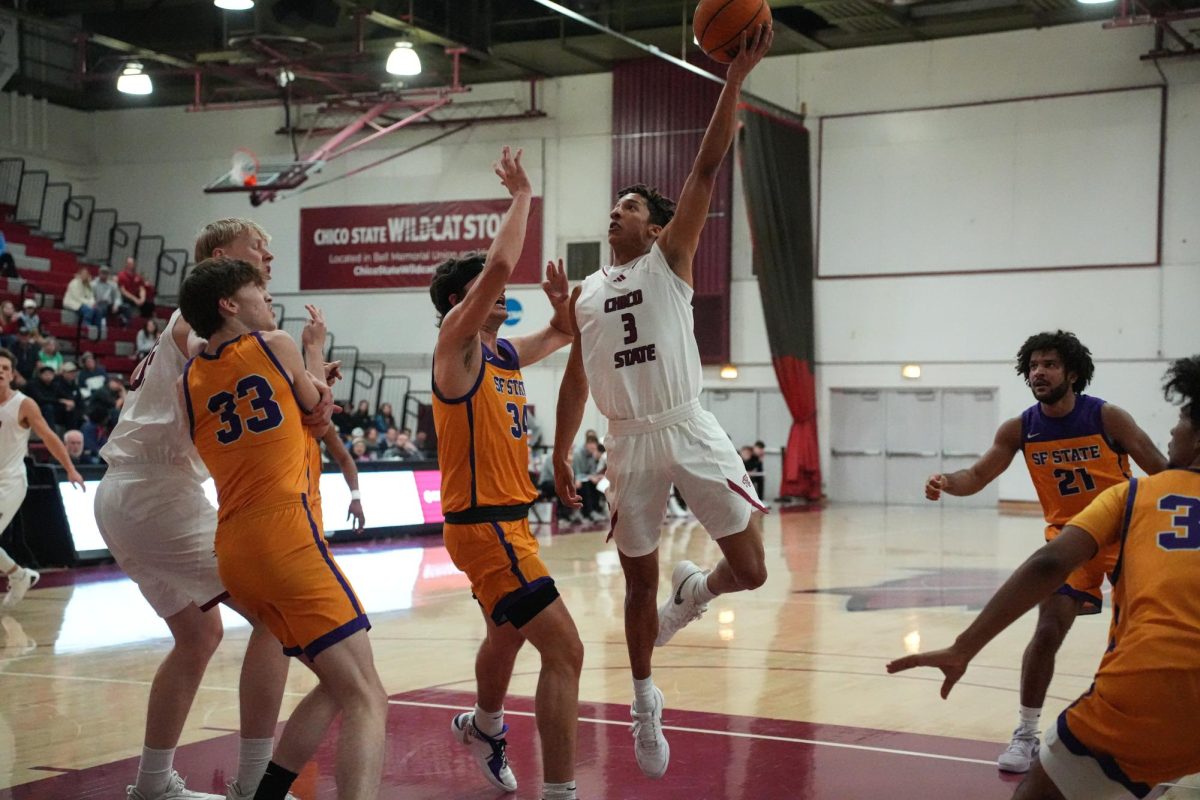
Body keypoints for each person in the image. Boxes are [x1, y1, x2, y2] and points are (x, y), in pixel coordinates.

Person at [552, 26, 773, 780]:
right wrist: (556, 452)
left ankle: (698, 593)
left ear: (655, 222)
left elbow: (709, 161)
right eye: (612, 206)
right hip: (628, 439)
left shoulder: (670, 259)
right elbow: (577, 377)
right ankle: (647, 701)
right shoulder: (583, 295)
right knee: (637, 582)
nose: (615, 212)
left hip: (688, 423)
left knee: (752, 570)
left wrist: (735, 75)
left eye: (628, 205)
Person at [890, 355, 1200, 800]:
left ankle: (1133, 744)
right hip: (1074, 536)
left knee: (1148, 631)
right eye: (1033, 365)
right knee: (1049, 627)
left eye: (1050, 364)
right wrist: (947, 482)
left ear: (1072, 373)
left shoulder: (1107, 417)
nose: (1039, 372)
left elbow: (1161, 468)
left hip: (1133, 527)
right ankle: (1027, 730)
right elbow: (977, 475)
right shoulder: (1021, 428)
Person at [94, 217, 305, 800]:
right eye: (256, 245)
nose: (268, 253)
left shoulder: (190, 321)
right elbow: (208, 350)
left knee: (198, 636)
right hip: (156, 491)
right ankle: (254, 783)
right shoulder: (197, 322)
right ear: (218, 259)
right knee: (274, 615)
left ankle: (154, 783)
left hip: (126, 495)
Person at [180, 257, 385, 800]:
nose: (268, 298)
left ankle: (267, 790)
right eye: (258, 288)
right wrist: (314, 348)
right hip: (286, 536)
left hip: (234, 549)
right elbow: (318, 406)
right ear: (229, 304)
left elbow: (285, 405)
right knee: (367, 696)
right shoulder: (276, 343)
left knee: (342, 684)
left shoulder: (192, 373)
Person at [431, 146, 583, 800]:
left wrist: (562, 312)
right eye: (486, 290)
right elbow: (496, 266)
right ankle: (561, 793)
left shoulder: (499, 355)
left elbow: (559, 336)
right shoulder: (455, 347)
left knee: (507, 633)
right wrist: (522, 197)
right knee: (566, 652)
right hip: (485, 526)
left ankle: (486, 726)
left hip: (505, 523)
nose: (501, 291)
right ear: (461, 303)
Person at [0, 348, 84, 608]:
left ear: (13, 375)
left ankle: (19, 575)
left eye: (5, 368)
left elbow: (48, 436)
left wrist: (70, 468)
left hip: (11, 481)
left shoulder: (23, 404)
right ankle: (20, 575)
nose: (0, 372)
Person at [570, 437, 606, 523]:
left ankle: (596, 510)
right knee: (585, 485)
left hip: (585, 478)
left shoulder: (592, 455)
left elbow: (593, 472)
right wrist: (590, 477)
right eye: (592, 448)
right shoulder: (577, 454)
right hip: (575, 479)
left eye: (594, 449)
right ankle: (589, 512)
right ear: (587, 445)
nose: (593, 450)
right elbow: (577, 473)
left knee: (597, 484)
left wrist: (596, 477)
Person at [63, 266, 103, 332]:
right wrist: (90, 304)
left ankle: (97, 332)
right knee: (88, 310)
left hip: (84, 303)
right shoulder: (74, 283)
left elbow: (91, 296)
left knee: (98, 311)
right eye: (83, 274)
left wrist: (93, 303)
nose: (85, 275)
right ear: (80, 274)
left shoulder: (88, 285)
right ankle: (85, 330)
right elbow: (78, 298)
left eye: (86, 274)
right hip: (72, 302)